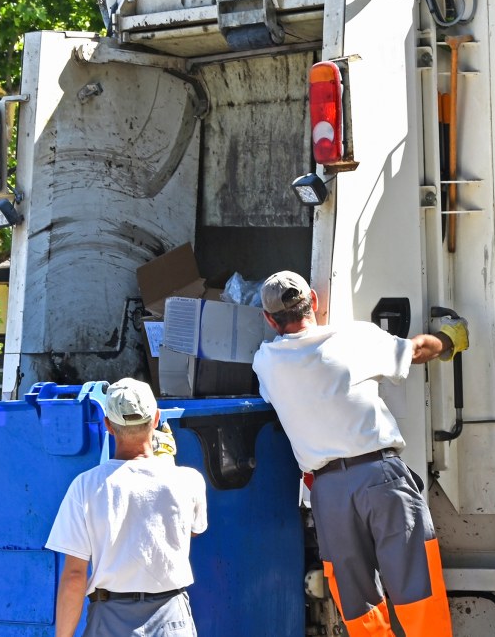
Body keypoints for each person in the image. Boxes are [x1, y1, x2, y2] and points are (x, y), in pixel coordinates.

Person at [252, 270, 468, 637]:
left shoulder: (265, 363)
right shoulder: (353, 337)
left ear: (269, 319)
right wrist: (450, 341)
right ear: (314, 303)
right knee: (417, 591)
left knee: (358, 606)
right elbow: (416, 351)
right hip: (380, 478)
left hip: (328, 493)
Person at [46, 377, 208, 637]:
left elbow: (75, 576)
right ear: (155, 420)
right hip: (171, 617)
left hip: (110, 618)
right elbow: (192, 530)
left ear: (108, 425)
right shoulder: (188, 480)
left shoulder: (85, 486)